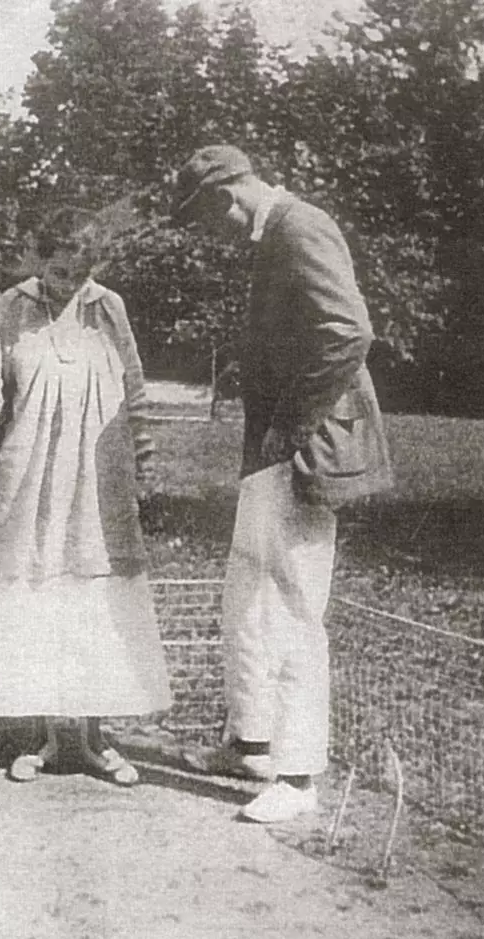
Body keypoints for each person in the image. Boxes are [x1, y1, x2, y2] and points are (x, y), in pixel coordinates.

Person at [170, 146, 393, 823]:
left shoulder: (300, 227)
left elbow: (348, 332)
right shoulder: (274, 235)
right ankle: (252, 741)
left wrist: (291, 428)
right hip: (271, 450)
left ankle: (297, 778)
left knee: (294, 606)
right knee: (248, 594)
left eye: (203, 220)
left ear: (223, 197)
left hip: (304, 451)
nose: (209, 235)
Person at [0, 207, 172, 786]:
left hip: (100, 482)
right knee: (41, 594)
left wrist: (143, 467)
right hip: (31, 477)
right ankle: (51, 735)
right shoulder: (13, 307)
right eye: (56, 271)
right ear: (37, 257)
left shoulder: (110, 310)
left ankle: (97, 738)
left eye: (78, 273)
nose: (67, 283)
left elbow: (135, 392)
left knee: (96, 600)